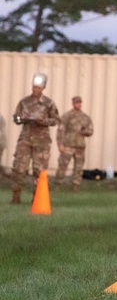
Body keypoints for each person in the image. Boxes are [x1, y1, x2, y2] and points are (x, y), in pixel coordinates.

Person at [10, 73, 60, 204]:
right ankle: (16, 198)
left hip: (42, 141)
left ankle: (36, 199)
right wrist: (21, 119)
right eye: (34, 86)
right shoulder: (24, 102)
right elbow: (16, 118)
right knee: (19, 168)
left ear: (43, 87)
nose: (35, 89)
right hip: (25, 139)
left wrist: (44, 121)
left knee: (39, 171)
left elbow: (55, 120)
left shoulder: (48, 103)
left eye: (38, 87)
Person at [55, 96, 94, 191]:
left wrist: (86, 132)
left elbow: (91, 130)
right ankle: (57, 184)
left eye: (80, 103)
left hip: (80, 146)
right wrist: (60, 144)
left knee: (79, 168)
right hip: (68, 145)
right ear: (73, 104)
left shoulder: (85, 117)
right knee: (62, 165)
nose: (78, 104)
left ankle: (75, 186)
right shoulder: (67, 116)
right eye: (76, 103)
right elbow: (61, 130)